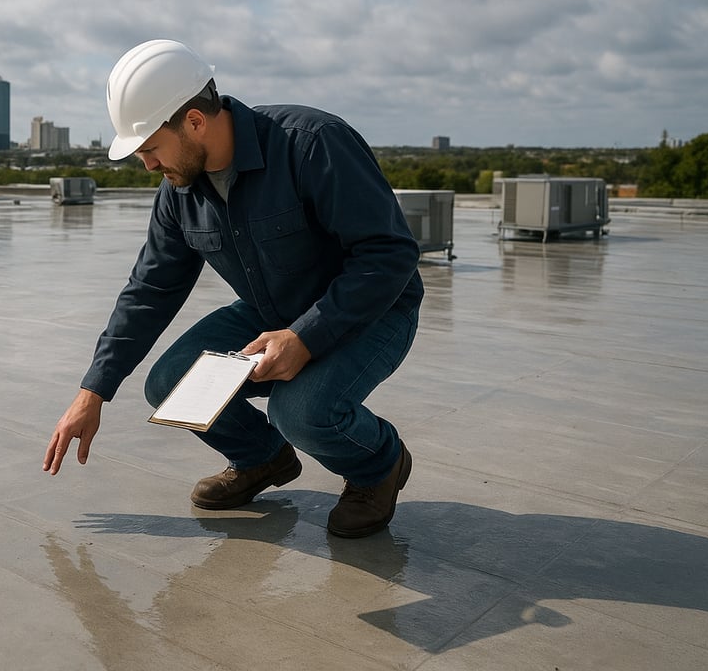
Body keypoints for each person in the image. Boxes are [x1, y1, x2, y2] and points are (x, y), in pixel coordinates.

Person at [43, 39, 423, 538]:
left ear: (195, 122)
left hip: (372, 310)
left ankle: (380, 466)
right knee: (170, 383)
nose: (149, 165)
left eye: (152, 148)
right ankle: (263, 459)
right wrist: (93, 390)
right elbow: (150, 288)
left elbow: (389, 254)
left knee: (300, 412)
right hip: (272, 311)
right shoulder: (180, 193)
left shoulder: (311, 144)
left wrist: (305, 337)